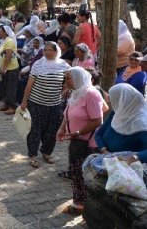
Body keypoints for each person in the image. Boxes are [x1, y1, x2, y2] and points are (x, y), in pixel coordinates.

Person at [56, 66, 104, 215]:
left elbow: (98, 120)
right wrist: (62, 128)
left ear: (78, 78)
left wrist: (77, 133)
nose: (66, 81)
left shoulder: (91, 94)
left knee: (86, 176)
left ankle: (88, 208)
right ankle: (79, 204)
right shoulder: (75, 93)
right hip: (76, 140)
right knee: (76, 173)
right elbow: (67, 113)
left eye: (69, 78)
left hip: (88, 143)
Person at [21, 42, 70, 168]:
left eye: (50, 50)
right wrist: (24, 101)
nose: (47, 52)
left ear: (56, 51)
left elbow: (67, 82)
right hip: (36, 103)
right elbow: (29, 84)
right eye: (45, 50)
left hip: (55, 104)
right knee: (35, 130)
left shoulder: (64, 65)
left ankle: (47, 152)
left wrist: (63, 92)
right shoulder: (38, 64)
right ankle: (32, 155)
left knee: (51, 130)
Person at [95, 83, 147, 164]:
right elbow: (98, 134)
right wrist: (105, 151)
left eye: (114, 99)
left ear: (123, 101)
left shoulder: (142, 123)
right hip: (111, 164)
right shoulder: (116, 115)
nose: (111, 102)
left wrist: (134, 158)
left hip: (131, 171)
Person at [0, 25, 19, 115]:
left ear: (5, 31)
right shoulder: (4, 41)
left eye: (0, 30)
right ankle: (7, 103)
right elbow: (3, 53)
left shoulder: (9, 41)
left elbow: (9, 56)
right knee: (5, 87)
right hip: (6, 68)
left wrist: (4, 68)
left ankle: (12, 107)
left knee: (11, 87)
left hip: (11, 68)